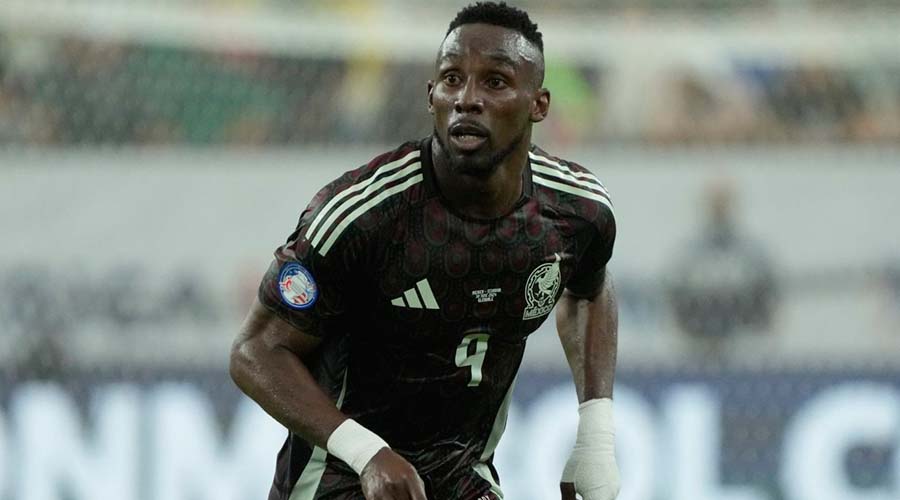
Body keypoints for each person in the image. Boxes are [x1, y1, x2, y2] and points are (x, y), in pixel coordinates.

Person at [230, 3, 620, 499]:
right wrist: (366, 453)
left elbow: (589, 289)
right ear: (430, 94)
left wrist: (595, 433)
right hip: (339, 477)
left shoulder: (576, 212)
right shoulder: (362, 216)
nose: (467, 99)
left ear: (538, 105)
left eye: (495, 82)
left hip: (463, 473)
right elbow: (255, 350)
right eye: (452, 79)